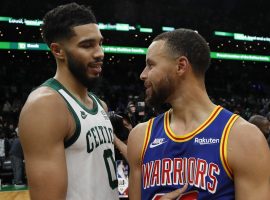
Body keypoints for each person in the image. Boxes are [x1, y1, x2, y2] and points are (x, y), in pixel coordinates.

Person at [127, 28, 270, 199]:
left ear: (181, 66)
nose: (143, 75)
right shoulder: (140, 136)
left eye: (151, 65)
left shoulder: (243, 138)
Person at [18, 3, 118, 199]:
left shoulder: (100, 105)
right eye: (87, 45)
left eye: (100, 43)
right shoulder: (45, 106)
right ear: (58, 51)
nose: (100, 53)